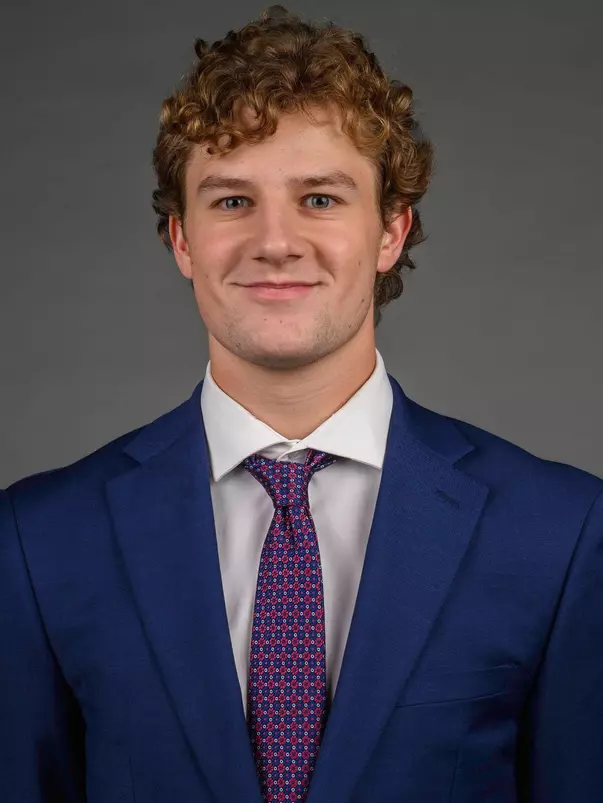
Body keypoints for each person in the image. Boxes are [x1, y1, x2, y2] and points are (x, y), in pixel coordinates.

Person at [1, 5, 602, 802]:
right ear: (181, 240)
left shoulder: (560, 533)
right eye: (231, 201)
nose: (275, 241)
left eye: (319, 198)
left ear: (390, 232)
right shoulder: (37, 540)